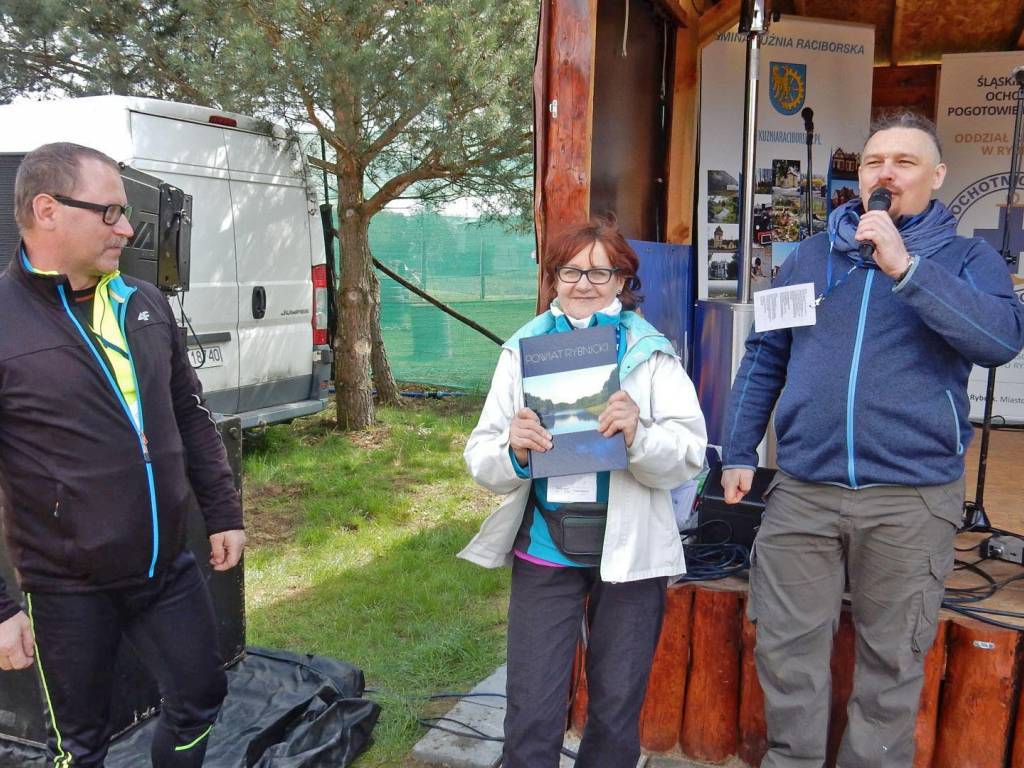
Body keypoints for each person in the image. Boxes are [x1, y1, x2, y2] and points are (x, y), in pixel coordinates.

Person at [721, 112, 1024, 767]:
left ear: (937, 176)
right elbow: (765, 355)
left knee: (892, 659)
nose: (885, 173)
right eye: (874, 162)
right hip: (803, 489)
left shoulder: (968, 259)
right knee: (786, 647)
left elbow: (999, 341)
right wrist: (739, 450)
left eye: (904, 162)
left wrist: (907, 269)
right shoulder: (810, 255)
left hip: (910, 498)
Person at [0, 142, 245, 767]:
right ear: (48, 210)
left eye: (126, 212)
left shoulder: (143, 301)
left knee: (201, 698)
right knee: (78, 747)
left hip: (166, 568)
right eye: (109, 212)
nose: (128, 229)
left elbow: (190, 413)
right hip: (65, 588)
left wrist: (223, 511)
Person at [461, 217, 707, 768]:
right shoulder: (522, 350)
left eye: (600, 272)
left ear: (621, 280)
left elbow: (689, 453)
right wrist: (514, 450)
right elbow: (480, 456)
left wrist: (639, 434)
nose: (584, 284)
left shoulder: (652, 353)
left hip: (631, 553)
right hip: (546, 547)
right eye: (570, 271)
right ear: (553, 278)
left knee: (617, 709)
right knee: (531, 706)